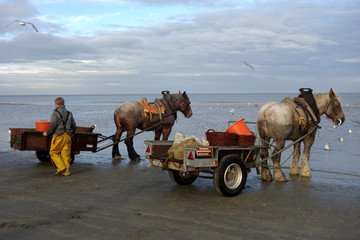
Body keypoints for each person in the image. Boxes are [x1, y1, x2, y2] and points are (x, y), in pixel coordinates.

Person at [43, 97, 76, 176]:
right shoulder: (69, 113)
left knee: (53, 152)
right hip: (68, 135)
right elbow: (74, 125)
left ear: (56, 104)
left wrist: (47, 133)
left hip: (59, 135)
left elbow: (53, 125)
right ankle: (67, 172)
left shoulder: (55, 113)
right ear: (63, 103)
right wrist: (73, 132)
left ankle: (61, 167)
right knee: (66, 154)